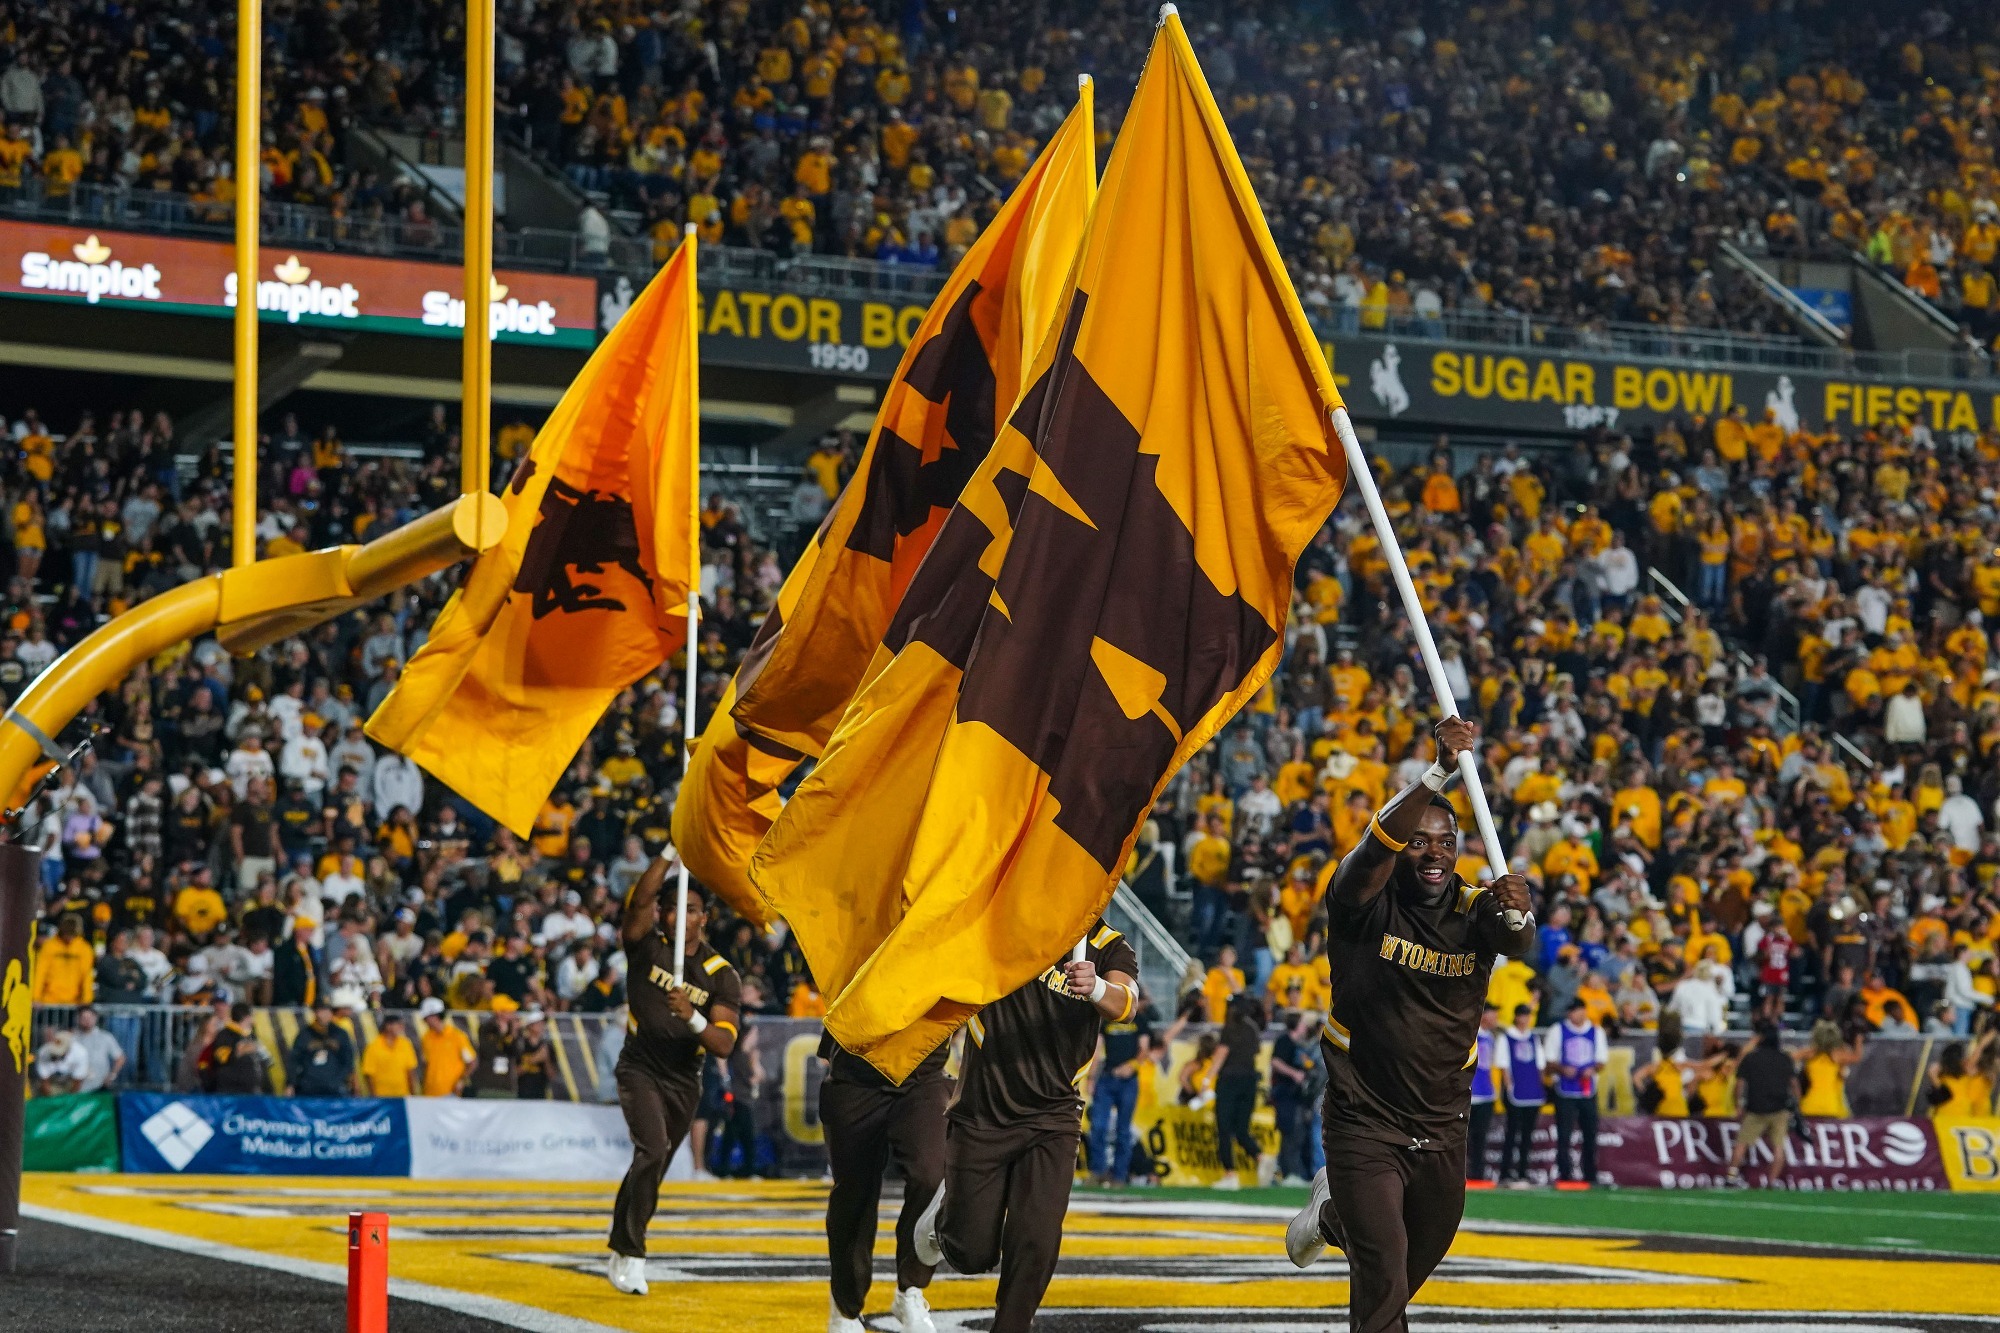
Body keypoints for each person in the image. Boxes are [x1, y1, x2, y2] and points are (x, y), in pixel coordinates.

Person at [1284, 715, 1536, 1333]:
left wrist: (1519, 915)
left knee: (1409, 1265)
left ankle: (1332, 1218)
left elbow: (1523, 946)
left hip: (1443, 1120)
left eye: (1446, 842)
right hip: (1363, 1114)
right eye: (1420, 841)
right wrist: (1435, 774)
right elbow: (1372, 851)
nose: (1434, 853)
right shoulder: (1362, 899)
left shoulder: (1473, 905)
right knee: (1385, 1280)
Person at [912, 922, 1139, 1333]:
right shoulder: (1003, 915)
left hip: (1054, 1115)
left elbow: (1127, 1004)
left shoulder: (1108, 945)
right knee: (971, 1253)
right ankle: (945, 1216)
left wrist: (1098, 988)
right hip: (984, 1108)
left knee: (1036, 1237)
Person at [605, 859, 741, 1297]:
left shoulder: (722, 974)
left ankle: (621, 1244)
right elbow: (638, 900)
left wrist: (693, 1017)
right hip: (640, 1064)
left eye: (689, 908)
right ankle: (634, 1253)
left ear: (704, 917)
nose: (676, 915)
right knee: (652, 1148)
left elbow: (723, 1044)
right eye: (670, 907)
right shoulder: (646, 945)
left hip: (685, 1077)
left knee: (654, 1163)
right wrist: (670, 850)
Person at [819, 1029, 949, 1333]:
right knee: (853, 1193)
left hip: (923, 1072)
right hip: (856, 1069)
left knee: (933, 1177)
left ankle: (911, 1289)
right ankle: (846, 1305)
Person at [1087, 978, 1154, 1188]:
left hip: (1128, 1080)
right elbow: (1097, 1050)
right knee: (1098, 1126)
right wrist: (1091, 1077)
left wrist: (1132, 1066)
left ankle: (1119, 1175)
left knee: (1124, 1131)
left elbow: (1144, 1051)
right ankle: (1098, 1172)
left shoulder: (1140, 1020)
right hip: (1107, 1077)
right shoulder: (1106, 1019)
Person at [1543, 997, 1608, 1186]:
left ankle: (1590, 1174)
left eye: (1577, 1010)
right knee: (1564, 1133)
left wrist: (1592, 1069)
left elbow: (1601, 1060)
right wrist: (1563, 1069)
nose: (1574, 1015)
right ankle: (1565, 1174)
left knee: (1590, 1133)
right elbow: (1550, 1060)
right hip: (1564, 1090)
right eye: (1571, 1011)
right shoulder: (1557, 1031)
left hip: (1587, 1089)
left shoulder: (1596, 1031)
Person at [1726, 1023, 1799, 1185]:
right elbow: (1794, 1084)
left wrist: (1738, 1104)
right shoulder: (1784, 1058)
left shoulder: (1751, 1058)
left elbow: (1739, 1084)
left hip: (1756, 1108)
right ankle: (1771, 1182)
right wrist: (1796, 1106)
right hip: (1779, 1109)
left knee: (1741, 1144)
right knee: (1779, 1148)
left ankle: (1731, 1177)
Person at [1213, 993, 1268, 1189]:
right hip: (1249, 1080)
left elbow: (1221, 1054)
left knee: (1224, 1129)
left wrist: (1206, 1078)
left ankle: (1230, 1174)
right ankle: (1260, 1157)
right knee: (1242, 1129)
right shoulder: (1253, 1029)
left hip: (1229, 1081)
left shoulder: (1230, 1028)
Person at [1270, 1008, 1322, 1186]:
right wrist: (1294, 1074)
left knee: (1298, 1133)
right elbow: (1275, 1062)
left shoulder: (1301, 1044)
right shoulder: (1285, 1041)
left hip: (1297, 1095)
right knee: (1291, 1131)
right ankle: (1289, 1173)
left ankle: (1295, 1171)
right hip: (1285, 1093)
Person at [1496, 1002, 1545, 1187]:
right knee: (1512, 1134)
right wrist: (1509, 1088)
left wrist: (1539, 1087)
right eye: (1523, 1015)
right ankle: (1506, 1172)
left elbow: (1540, 1066)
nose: (1525, 1019)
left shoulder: (1534, 1038)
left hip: (1532, 1092)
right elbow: (1503, 1066)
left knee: (1527, 1135)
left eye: (1528, 1015)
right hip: (1516, 1092)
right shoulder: (1506, 1038)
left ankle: (1523, 1171)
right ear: (1517, 1017)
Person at [286, 998, 356, 1096]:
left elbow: (348, 1061)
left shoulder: (340, 1034)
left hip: (335, 1087)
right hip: (308, 1087)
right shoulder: (305, 1034)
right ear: (315, 1012)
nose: (324, 1014)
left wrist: (338, 1080)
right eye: (321, 1010)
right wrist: (291, 1084)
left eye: (327, 1011)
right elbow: (294, 1060)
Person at [197, 1001, 268, 1093]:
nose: (253, 1020)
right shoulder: (225, 1034)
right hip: (231, 1091)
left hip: (251, 1089)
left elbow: (266, 1060)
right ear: (246, 1017)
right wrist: (239, 1051)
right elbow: (221, 1058)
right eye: (251, 1016)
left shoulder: (251, 1036)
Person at [1465, 1005, 1500, 1185]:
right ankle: (1463, 1173)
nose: (1496, 1018)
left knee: (1481, 1137)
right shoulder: (1470, 1034)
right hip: (1470, 1093)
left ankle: (1477, 1173)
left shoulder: (1491, 1037)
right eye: (1493, 1014)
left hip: (1487, 1094)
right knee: (1465, 1137)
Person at [1799, 1019, 1862, 1117]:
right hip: (1832, 1107)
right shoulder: (1838, 1056)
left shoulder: (1810, 1053)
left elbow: (1789, 1057)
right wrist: (1859, 1039)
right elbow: (1857, 1057)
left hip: (1809, 1105)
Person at [418, 998, 477, 1096]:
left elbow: (472, 1062)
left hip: (450, 1093)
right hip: (430, 1092)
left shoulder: (457, 1036)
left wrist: (461, 1080)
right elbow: (426, 1064)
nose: (425, 1022)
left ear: (436, 1016)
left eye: (426, 1018)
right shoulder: (426, 1038)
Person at [360, 1013, 419, 1096]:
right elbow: (369, 1075)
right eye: (398, 1024)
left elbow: (410, 1071)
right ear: (388, 1026)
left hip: (402, 1095)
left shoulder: (406, 1044)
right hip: (383, 1097)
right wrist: (374, 1096)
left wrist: (413, 1094)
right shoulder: (373, 1047)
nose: (401, 1027)